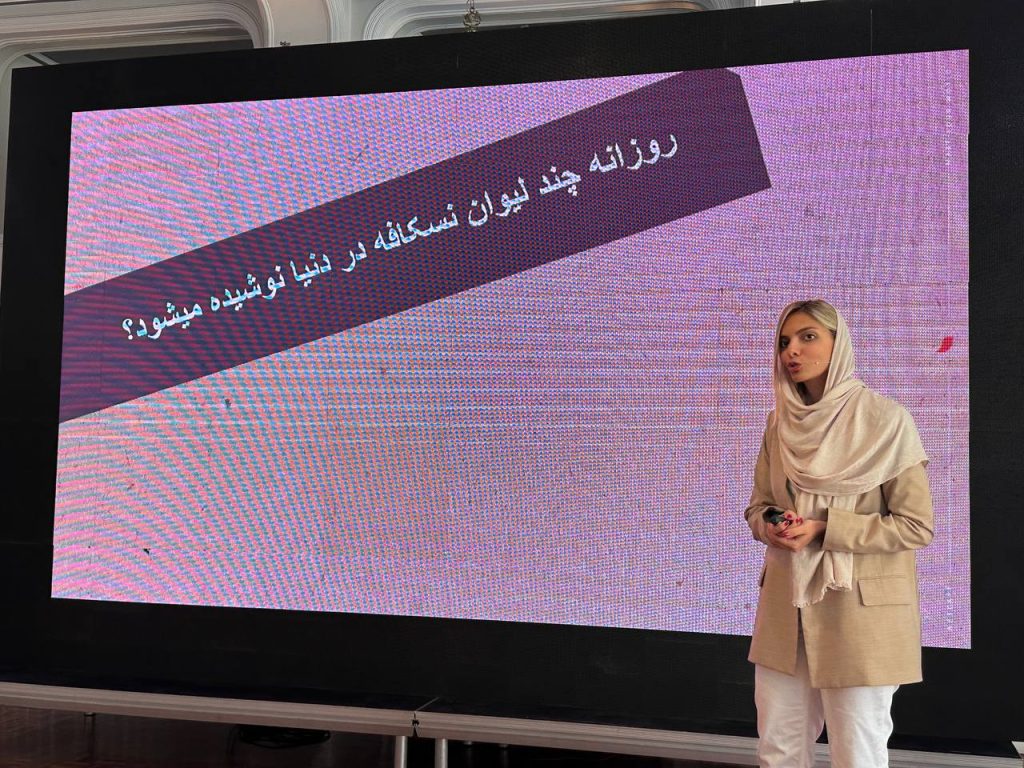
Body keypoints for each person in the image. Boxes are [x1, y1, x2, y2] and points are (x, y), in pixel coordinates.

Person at [744, 300, 934, 768]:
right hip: (787, 611)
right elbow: (758, 507)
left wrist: (825, 529)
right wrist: (775, 525)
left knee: (857, 756)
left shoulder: (887, 421)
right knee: (778, 751)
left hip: (859, 617)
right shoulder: (779, 423)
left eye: (808, 337)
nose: (792, 350)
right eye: (784, 341)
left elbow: (915, 525)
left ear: (839, 344)